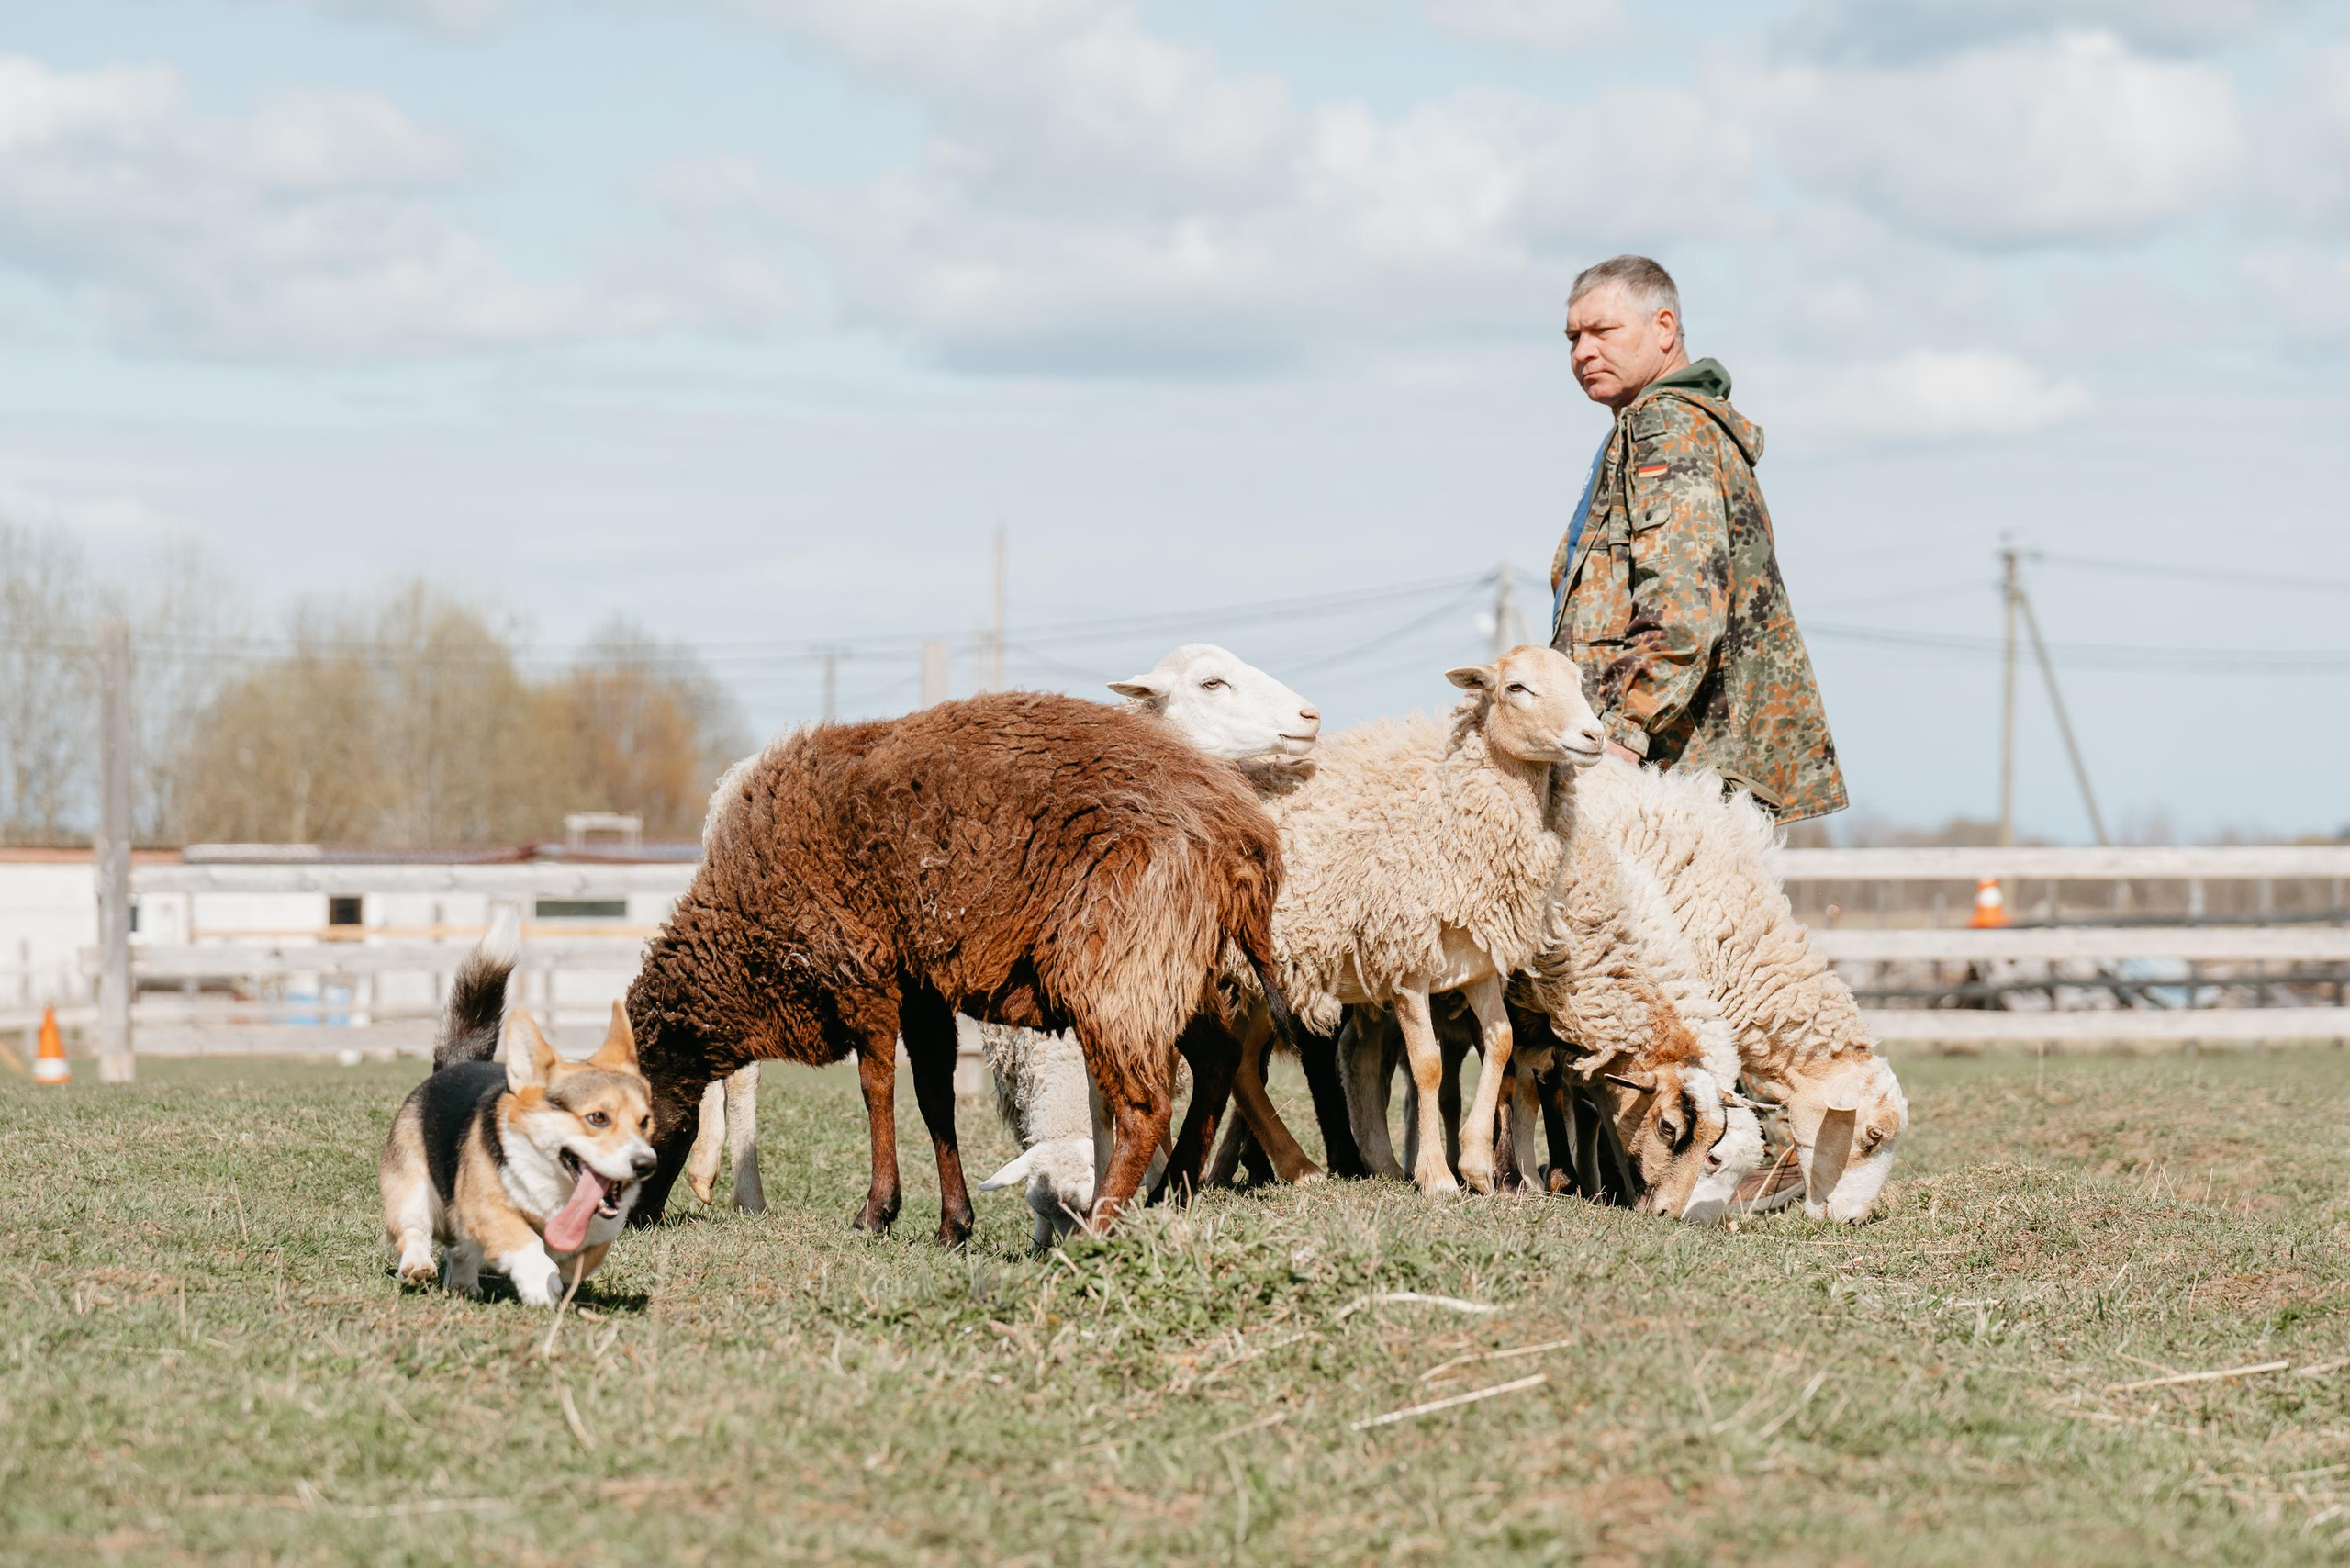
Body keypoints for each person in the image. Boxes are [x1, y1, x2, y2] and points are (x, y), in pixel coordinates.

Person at [1550, 254, 1846, 823]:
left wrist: (1619, 738)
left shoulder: (1666, 427)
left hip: (1673, 776)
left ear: (1663, 329)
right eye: (1572, 337)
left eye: (1603, 331)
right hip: (1682, 768)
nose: (1583, 351)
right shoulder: (1659, 426)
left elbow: (1682, 610)